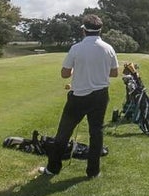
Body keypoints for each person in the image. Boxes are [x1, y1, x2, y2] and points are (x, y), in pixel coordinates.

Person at [41, 14, 119, 178]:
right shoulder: (108, 48)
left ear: (84, 30)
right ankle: (93, 171)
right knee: (96, 133)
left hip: (79, 97)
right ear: (100, 30)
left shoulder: (76, 48)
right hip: (100, 95)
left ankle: (53, 168)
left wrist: (77, 70)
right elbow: (114, 73)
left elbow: (64, 73)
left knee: (64, 132)